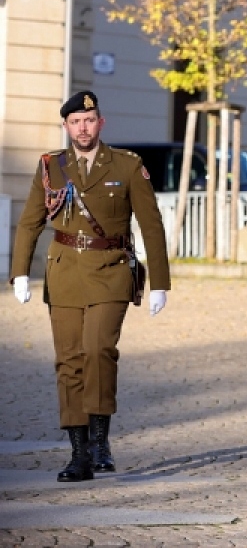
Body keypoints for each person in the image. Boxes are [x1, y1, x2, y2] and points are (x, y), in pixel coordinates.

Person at [9, 90, 170, 483]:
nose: (83, 127)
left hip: (111, 269)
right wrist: (19, 273)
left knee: (98, 349)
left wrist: (160, 283)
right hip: (64, 271)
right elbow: (31, 221)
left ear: (101, 123)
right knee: (69, 362)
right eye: (76, 122)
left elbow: (151, 225)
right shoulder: (51, 166)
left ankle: (101, 441)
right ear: (66, 126)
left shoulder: (128, 165)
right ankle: (79, 454)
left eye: (90, 119)